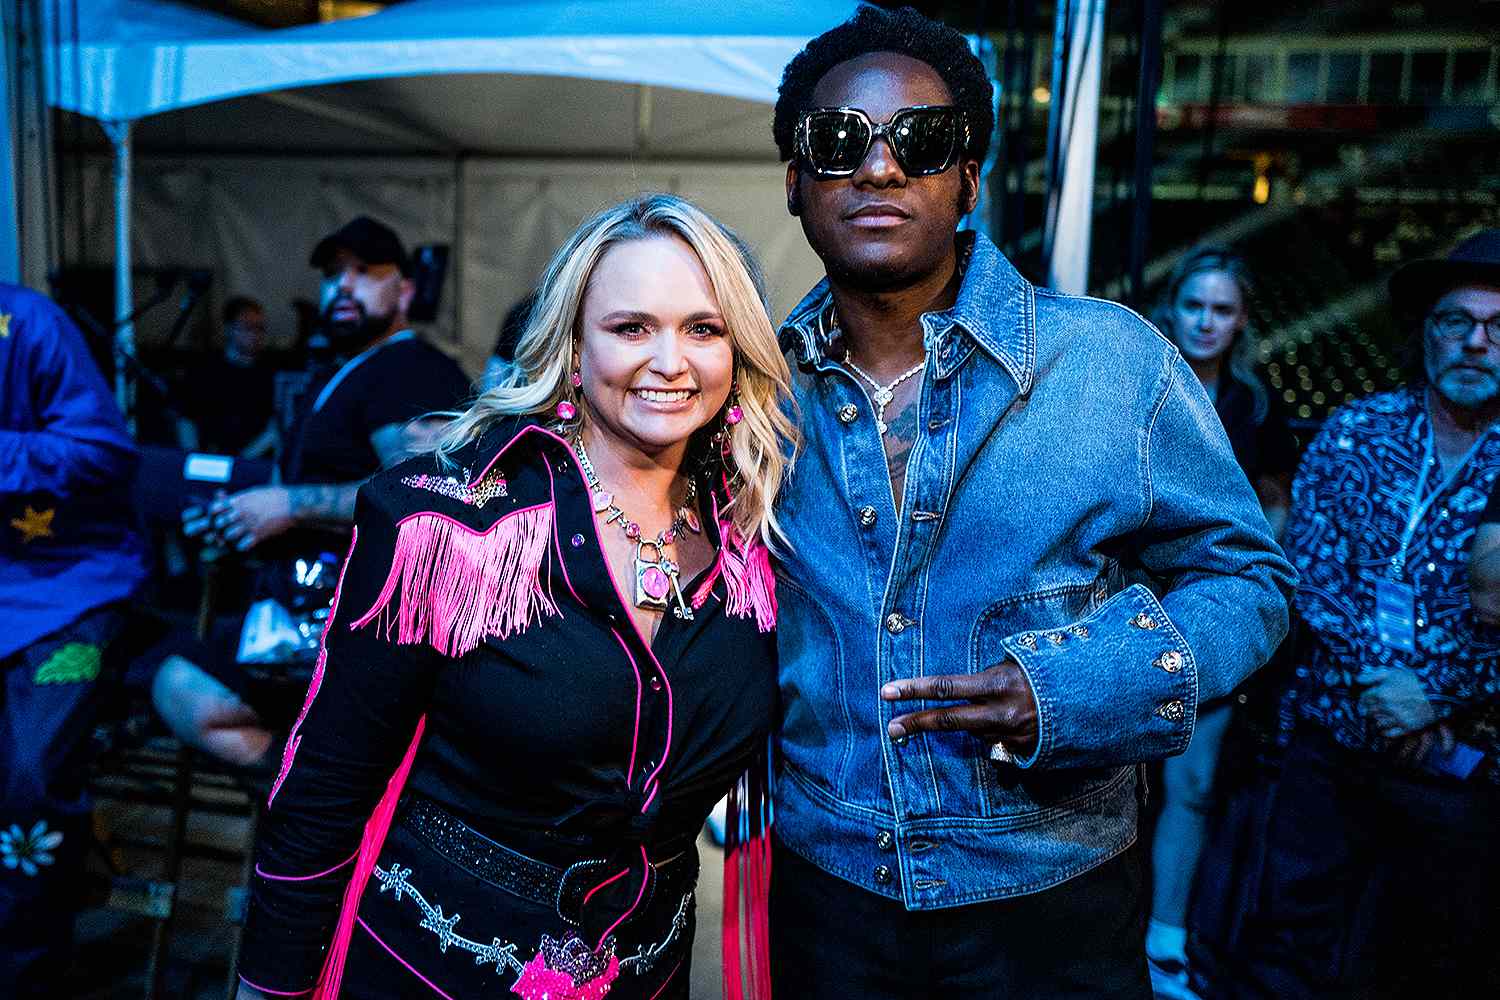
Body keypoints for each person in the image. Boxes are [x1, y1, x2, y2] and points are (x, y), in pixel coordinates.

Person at [765, 8, 1295, 998]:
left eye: (919, 142)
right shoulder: (751, 387)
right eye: (838, 142)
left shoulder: (1110, 360)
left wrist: (1076, 686)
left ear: (968, 179)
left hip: (1052, 897)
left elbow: (1251, 580)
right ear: (795, 179)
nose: (878, 170)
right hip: (824, 895)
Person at [233, 194, 796, 1000]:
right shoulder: (445, 523)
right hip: (425, 973)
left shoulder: (760, 536)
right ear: (572, 344)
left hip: (651, 975)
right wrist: (271, 985)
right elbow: (324, 783)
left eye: (703, 329)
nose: (671, 360)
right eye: (632, 327)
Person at [1238, 229, 1500, 999]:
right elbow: (1313, 576)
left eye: (1498, 328)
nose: (1476, 343)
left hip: (1464, 759)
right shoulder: (1357, 432)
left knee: (1437, 962)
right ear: (1426, 333)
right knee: (1285, 947)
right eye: (1457, 323)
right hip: (1336, 739)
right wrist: (1382, 690)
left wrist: (1437, 694)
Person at [1144, 247, 1298, 1000]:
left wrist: (1235, 565)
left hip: (1206, 613)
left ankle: (1166, 938)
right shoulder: (1138, 383)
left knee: (1193, 781)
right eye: (1196, 306)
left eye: (1223, 309)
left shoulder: (1255, 408)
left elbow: (1276, 507)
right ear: (1175, 307)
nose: (1207, 322)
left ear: (1241, 321)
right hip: (1125, 605)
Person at [0, 284, 151, 996]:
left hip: (68, 592)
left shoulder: (25, 321)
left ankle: (26, 974)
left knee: (31, 778)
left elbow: (104, 451)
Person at [177, 295, 279, 458]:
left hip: (253, 462)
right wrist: (193, 458)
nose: (255, 335)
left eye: (260, 328)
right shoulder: (205, 371)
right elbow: (187, 418)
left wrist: (244, 460)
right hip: (207, 458)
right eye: (248, 327)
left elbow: (275, 429)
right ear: (229, 329)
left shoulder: (270, 375)